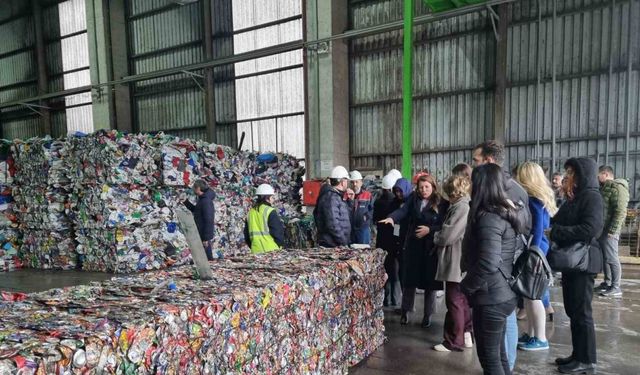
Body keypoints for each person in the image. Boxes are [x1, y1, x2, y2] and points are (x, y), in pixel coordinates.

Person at [470, 140, 532, 372]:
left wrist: (468, 286)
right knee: (499, 355)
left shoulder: (490, 216)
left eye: (476, 163)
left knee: (490, 358)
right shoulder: (504, 207)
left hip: (492, 290)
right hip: (502, 286)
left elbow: (488, 260)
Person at [550, 157, 603, 374]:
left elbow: (591, 229)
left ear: (582, 175)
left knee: (582, 312)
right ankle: (578, 354)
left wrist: (558, 232)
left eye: (571, 173)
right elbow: (557, 221)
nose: (567, 177)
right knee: (573, 310)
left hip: (584, 262)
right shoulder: (574, 198)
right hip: (573, 263)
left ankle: (587, 360)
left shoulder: (592, 197)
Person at [379, 174, 447, 328]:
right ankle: (406, 311)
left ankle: (428, 315)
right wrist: (391, 218)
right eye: (421, 187)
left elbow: (445, 225)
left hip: (431, 248)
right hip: (414, 246)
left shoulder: (442, 203)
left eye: (427, 187)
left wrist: (429, 230)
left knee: (430, 284)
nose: (423, 190)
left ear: (433, 187)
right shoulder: (413, 199)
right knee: (410, 281)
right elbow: (402, 212)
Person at [514, 162, 559, 351]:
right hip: (537, 249)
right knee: (529, 296)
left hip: (535, 251)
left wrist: (532, 252)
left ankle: (540, 338)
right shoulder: (537, 198)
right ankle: (532, 334)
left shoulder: (533, 200)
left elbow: (538, 229)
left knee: (534, 297)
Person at [432, 174, 473, 352]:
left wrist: (436, 236)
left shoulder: (461, 207)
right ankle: (466, 334)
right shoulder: (461, 205)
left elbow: (448, 235)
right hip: (459, 258)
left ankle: (453, 341)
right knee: (462, 300)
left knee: (454, 300)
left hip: (456, 259)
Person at [595, 165, 629, 298]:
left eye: (599, 175)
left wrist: (613, 230)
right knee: (606, 257)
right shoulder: (605, 188)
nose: (597, 178)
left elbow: (620, 211)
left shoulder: (618, 188)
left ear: (605, 174)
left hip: (610, 229)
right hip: (603, 229)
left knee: (612, 257)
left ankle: (616, 287)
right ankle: (607, 283)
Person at [374, 174, 401, 306]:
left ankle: (385, 299)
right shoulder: (395, 203)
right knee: (394, 271)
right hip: (392, 241)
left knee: (383, 269)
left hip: (381, 240)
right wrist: (397, 238)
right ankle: (396, 300)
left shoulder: (378, 201)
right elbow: (397, 224)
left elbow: (374, 220)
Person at [314, 166, 352, 247]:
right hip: (332, 244)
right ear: (342, 182)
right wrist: (344, 242)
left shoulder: (337, 196)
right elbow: (333, 225)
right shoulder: (331, 197)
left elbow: (346, 217)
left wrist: (350, 201)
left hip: (336, 243)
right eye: (346, 180)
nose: (347, 183)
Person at [243, 184, 285, 254]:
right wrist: (279, 246)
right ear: (267, 198)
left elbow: (246, 235)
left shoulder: (250, 212)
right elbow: (278, 232)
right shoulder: (270, 211)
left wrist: (254, 246)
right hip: (272, 250)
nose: (273, 200)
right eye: (272, 197)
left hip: (255, 251)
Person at [183, 179, 216, 261]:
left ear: (198, 188)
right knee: (203, 258)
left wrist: (206, 238)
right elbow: (196, 210)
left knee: (207, 258)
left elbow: (209, 219)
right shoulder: (202, 199)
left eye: (194, 187)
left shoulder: (206, 201)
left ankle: (211, 272)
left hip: (203, 234)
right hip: (200, 232)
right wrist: (186, 202)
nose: (193, 189)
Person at [392, 177, 413, 293]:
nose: (398, 194)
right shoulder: (395, 202)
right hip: (398, 240)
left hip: (409, 240)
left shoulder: (412, 202)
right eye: (396, 191)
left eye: (400, 191)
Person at [348, 170, 374, 245]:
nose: (354, 184)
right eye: (352, 182)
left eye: (357, 182)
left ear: (361, 182)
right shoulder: (346, 195)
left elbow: (372, 210)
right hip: (350, 229)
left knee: (364, 251)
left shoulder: (367, 195)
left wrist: (365, 217)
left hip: (363, 229)